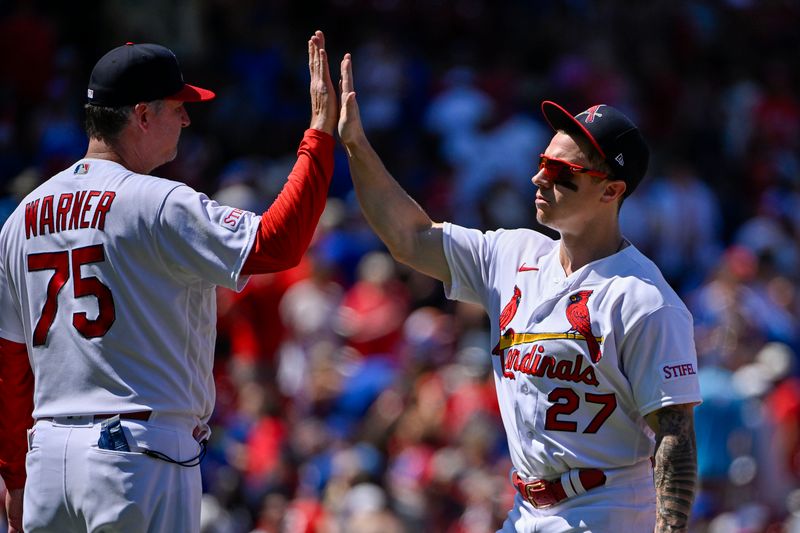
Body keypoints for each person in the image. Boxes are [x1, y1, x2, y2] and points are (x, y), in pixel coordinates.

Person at [337, 53, 701, 532]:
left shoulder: (644, 299)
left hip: (605, 509)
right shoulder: (511, 254)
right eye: (542, 162)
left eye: (560, 171)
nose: (539, 177)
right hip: (525, 508)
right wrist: (357, 146)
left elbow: (675, 436)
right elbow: (409, 239)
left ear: (611, 192)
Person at [0, 30, 337, 532]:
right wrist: (320, 135)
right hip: (136, 456)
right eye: (176, 105)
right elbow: (277, 244)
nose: (186, 116)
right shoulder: (155, 201)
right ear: (141, 114)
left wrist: (15, 477)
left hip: (48, 457)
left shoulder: (21, 218)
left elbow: (10, 368)